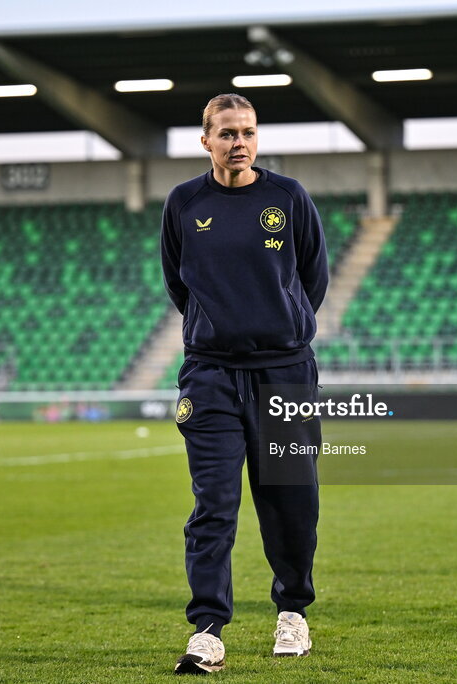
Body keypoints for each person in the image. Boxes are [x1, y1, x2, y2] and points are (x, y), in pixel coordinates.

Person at [161, 93, 328, 674]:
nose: (240, 142)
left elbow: (313, 278)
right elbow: (178, 283)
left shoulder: (288, 197)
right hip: (208, 376)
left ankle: (293, 613)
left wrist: (280, 326)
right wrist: (218, 328)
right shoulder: (184, 203)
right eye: (227, 133)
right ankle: (207, 629)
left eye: (248, 132)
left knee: (291, 499)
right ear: (205, 139)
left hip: (284, 374)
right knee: (214, 504)